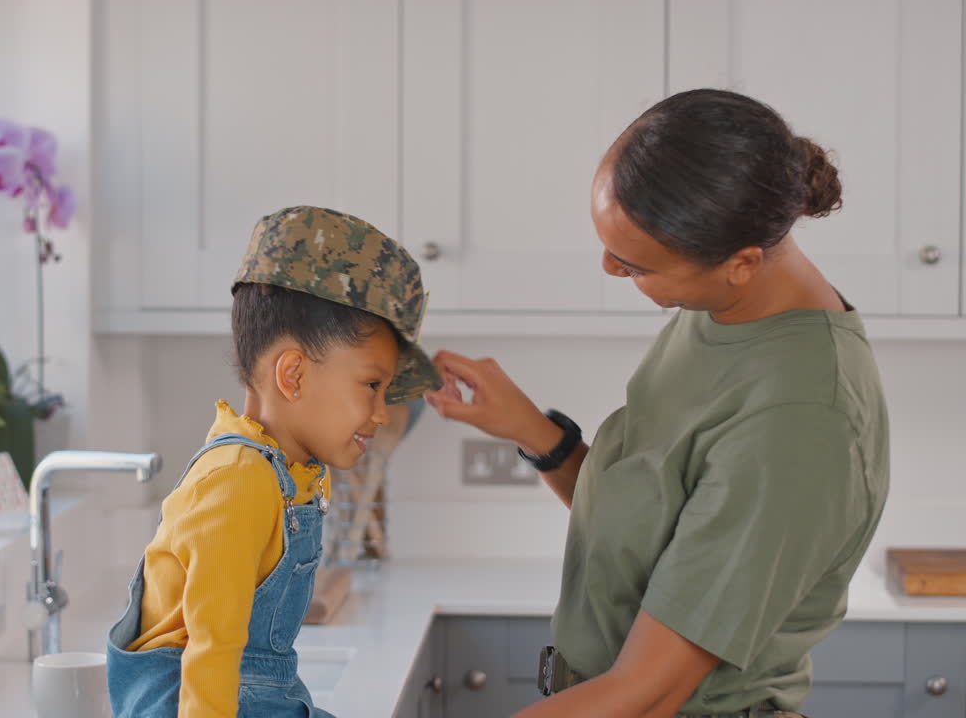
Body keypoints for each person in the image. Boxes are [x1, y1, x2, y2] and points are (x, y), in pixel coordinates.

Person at [426, 89, 889, 717]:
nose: (610, 269)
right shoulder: (724, 309)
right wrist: (533, 431)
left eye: (636, 265)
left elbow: (649, 692)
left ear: (741, 263)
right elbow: (649, 517)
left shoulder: (800, 419)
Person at [107, 206, 442, 717]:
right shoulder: (238, 481)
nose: (381, 413)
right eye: (373, 386)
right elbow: (212, 653)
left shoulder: (285, 473)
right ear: (293, 375)